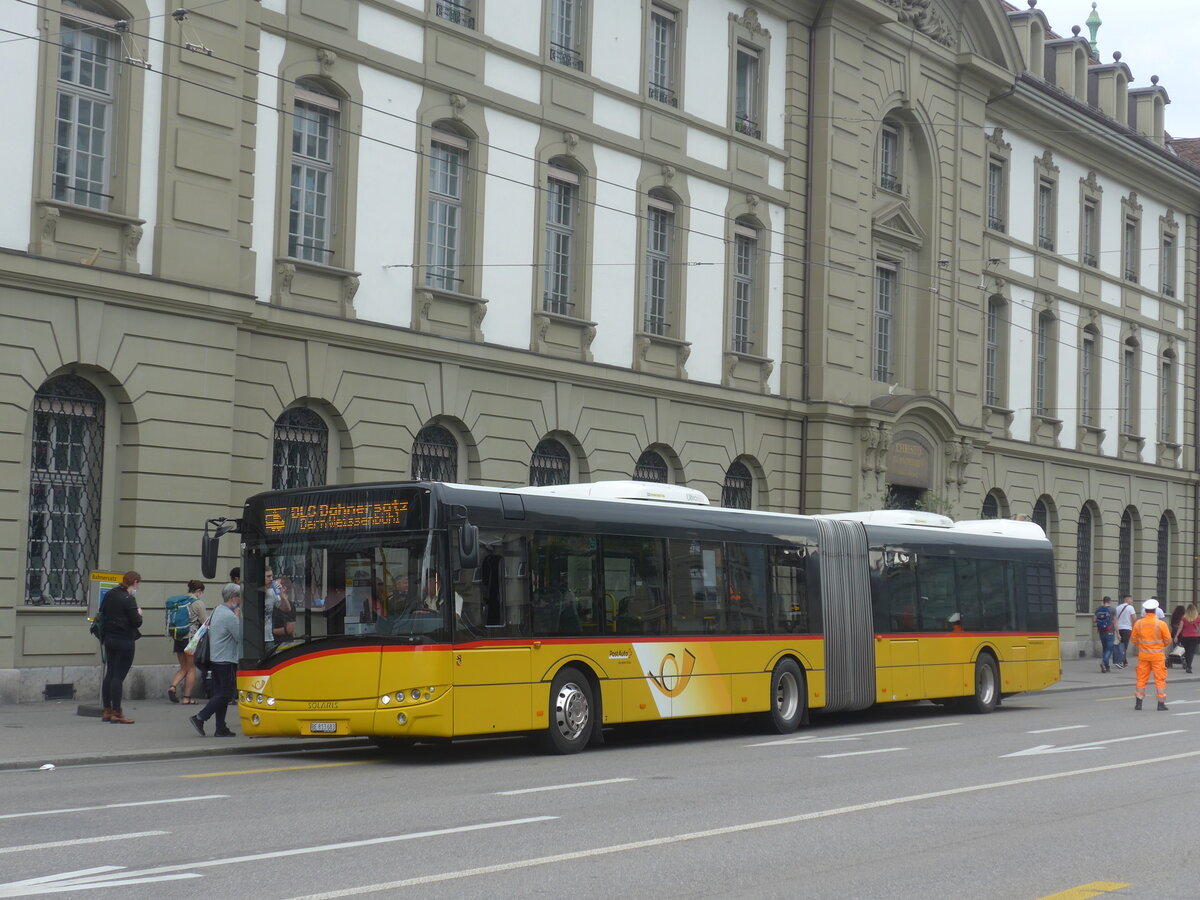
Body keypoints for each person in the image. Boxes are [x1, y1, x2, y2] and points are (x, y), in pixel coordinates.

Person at [190, 582, 241, 737]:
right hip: (227, 659)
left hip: (217, 658)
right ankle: (200, 717)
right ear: (233, 598)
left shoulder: (218, 610)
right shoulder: (230, 616)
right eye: (240, 597)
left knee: (220, 694)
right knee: (226, 694)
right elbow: (240, 636)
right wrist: (238, 617)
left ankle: (221, 727)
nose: (241, 600)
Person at [100, 571, 143, 724]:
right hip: (124, 641)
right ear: (135, 582)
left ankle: (107, 710)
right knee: (118, 676)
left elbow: (103, 612)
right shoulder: (128, 599)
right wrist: (139, 613)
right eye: (139, 584)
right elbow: (136, 622)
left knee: (110, 673)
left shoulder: (111, 594)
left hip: (109, 638)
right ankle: (117, 712)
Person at [167, 580, 206, 705]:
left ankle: (173, 687)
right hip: (191, 639)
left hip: (178, 638)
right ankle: (187, 698)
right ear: (199, 591)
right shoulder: (197, 603)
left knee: (183, 667)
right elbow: (205, 622)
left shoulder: (181, 602)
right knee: (191, 668)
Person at [1130, 598, 1172, 711]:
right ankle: (1161, 704)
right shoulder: (1161, 624)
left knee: (1141, 679)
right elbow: (1168, 640)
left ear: (1145, 610)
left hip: (1143, 656)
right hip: (1158, 656)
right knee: (1160, 679)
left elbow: (1133, 639)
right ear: (1155, 610)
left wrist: (1142, 645)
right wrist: (1160, 646)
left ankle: (1138, 704)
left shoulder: (1138, 623)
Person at [1174, 603, 1200, 674]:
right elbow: (1198, 628)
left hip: (1185, 637)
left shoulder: (1184, 618)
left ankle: (1188, 664)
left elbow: (1180, 627)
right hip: (1194, 637)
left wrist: (1176, 635)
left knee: (1186, 651)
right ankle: (1189, 666)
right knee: (1191, 652)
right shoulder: (1197, 618)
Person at [1094, 596, 1116, 673]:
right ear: (1110, 601)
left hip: (1101, 631)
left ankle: (1107, 667)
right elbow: (1114, 622)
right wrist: (1118, 633)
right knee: (1109, 649)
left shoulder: (1098, 609)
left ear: (1103, 601)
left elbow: (1094, 620)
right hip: (1110, 631)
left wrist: (1102, 622)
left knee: (1105, 648)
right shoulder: (1112, 610)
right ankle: (1103, 663)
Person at [271, 577, 296, 642]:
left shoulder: (290, 605)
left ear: (284, 588)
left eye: (275, 586)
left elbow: (289, 629)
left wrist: (270, 631)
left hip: (284, 642)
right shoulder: (274, 603)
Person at [1114, 595, 1136, 669]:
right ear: (1127, 600)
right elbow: (1134, 618)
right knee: (1124, 646)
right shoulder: (1130, 608)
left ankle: (1124, 662)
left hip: (1119, 628)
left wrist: (1117, 631)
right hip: (1127, 629)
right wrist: (1134, 627)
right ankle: (1119, 661)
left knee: (1121, 645)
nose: (1132, 601)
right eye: (1131, 600)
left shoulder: (1118, 608)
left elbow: (1115, 620)